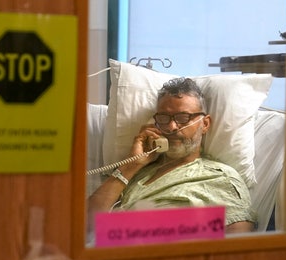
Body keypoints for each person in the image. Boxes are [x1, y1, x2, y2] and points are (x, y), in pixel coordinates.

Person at [87, 77, 256, 233]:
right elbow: (86, 224)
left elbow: (238, 235)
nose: (172, 127)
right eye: (163, 118)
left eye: (183, 117)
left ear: (204, 124)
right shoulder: (135, 172)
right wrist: (131, 166)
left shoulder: (219, 177)